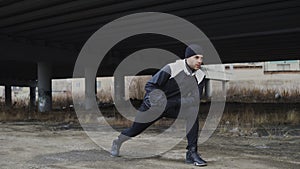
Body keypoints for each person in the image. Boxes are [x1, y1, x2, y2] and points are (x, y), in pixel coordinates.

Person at [111, 44, 207, 166]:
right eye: (196, 57)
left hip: (173, 106)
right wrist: (159, 102)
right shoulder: (172, 68)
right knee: (134, 130)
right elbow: (150, 85)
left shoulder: (200, 76)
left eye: (201, 58)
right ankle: (118, 141)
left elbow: (195, 99)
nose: (200, 61)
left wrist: (173, 103)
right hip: (153, 106)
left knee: (193, 112)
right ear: (187, 57)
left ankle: (192, 153)